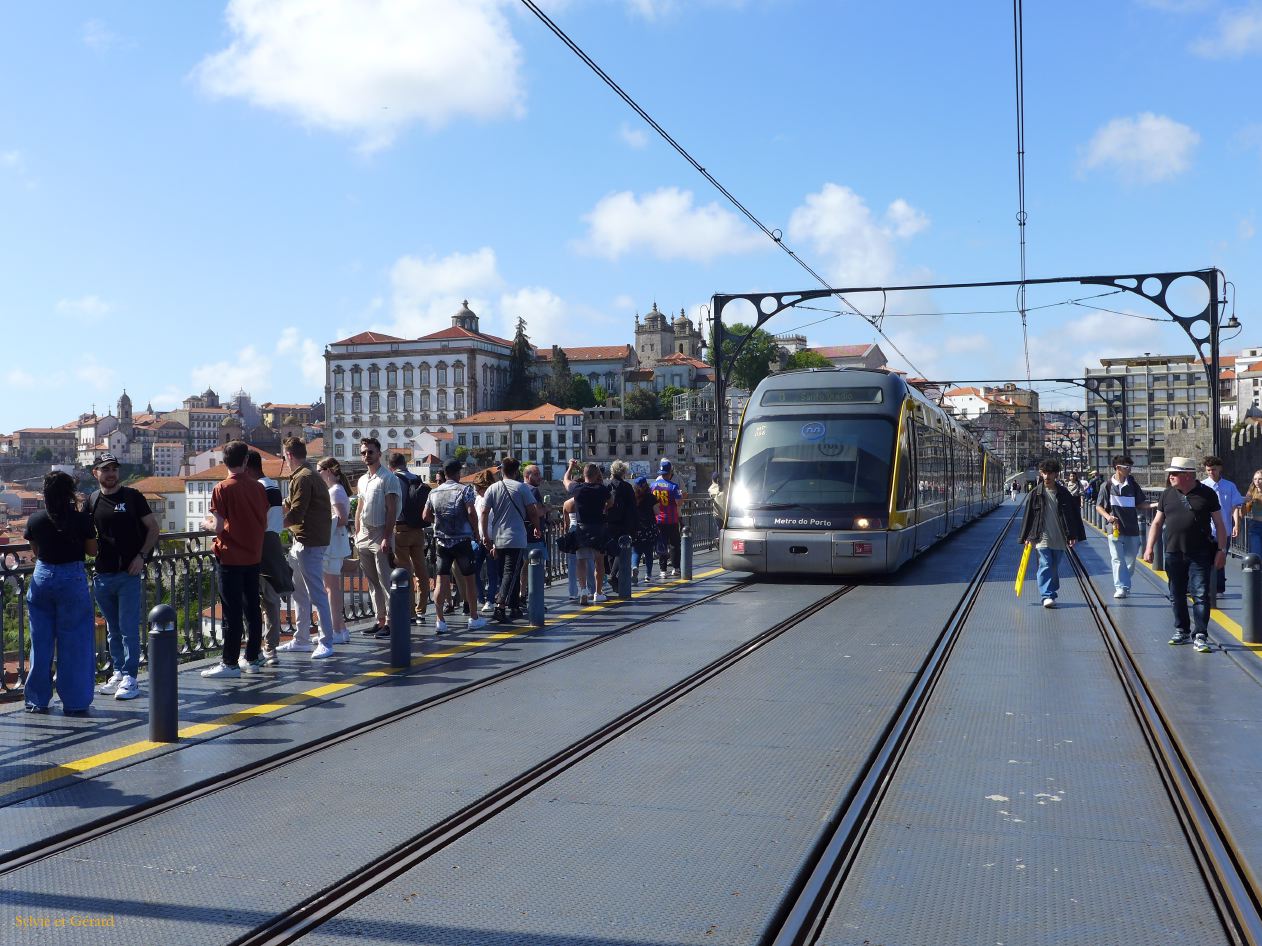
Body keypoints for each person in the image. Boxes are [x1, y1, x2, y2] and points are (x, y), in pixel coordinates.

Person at [23, 471, 97, 713]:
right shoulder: (81, 520)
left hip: (42, 578)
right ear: (69, 494)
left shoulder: (35, 520)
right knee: (74, 641)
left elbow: (35, 551)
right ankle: (75, 703)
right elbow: (92, 551)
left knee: (40, 641)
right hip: (71, 578)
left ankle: (37, 701)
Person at [89, 452, 159, 702]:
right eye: (105, 469)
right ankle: (118, 672)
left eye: (114, 469)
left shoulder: (133, 497)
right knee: (112, 630)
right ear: (95, 473)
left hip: (129, 573)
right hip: (102, 575)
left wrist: (142, 556)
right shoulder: (93, 500)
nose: (111, 473)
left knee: (129, 628)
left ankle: (131, 677)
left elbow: (153, 528)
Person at [1143, 456, 1228, 653]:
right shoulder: (1167, 495)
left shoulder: (1207, 494)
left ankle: (1200, 634)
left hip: (1199, 552)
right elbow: (1156, 523)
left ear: (1187, 475)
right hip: (1173, 551)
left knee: (1200, 594)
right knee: (1176, 594)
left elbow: (1220, 524)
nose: (1170, 477)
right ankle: (1181, 629)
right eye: (1170, 474)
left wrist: (1222, 550)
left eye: (1174, 474)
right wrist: (1149, 548)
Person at [201, 440, 268, 678]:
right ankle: (254, 655)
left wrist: (205, 523)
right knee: (252, 607)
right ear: (246, 460)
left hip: (230, 556)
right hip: (253, 555)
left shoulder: (222, 488)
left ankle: (230, 662)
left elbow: (218, 527)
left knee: (231, 611)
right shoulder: (259, 488)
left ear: (224, 461)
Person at [283, 437, 337, 658]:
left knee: (316, 593)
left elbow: (297, 513)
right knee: (300, 593)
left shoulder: (303, 477)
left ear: (288, 455)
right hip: (304, 541)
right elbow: (293, 505)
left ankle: (326, 642)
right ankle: (302, 639)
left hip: (309, 542)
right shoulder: (307, 475)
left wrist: (268, 525)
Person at [423, 459, 489, 634]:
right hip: (461, 540)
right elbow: (470, 512)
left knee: (440, 581)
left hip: (442, 541)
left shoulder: (434, 493)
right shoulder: (465, 490)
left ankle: (440, 621)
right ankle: (474, 617)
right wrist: (475, 530)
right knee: (469, 579)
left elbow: (425, 516)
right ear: (458, 473)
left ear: (444, 474)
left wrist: (439, 521)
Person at [479, 456, 542, 623]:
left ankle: (514, 607)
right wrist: (537, 527)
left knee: (506, 573)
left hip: (498, 537)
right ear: (516, 471)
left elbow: (484, 513)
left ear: (502, 470)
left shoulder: (492, 488)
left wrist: (485, 535)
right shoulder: (521, 488)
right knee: (511, 572)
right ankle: (500, 606)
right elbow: (532, 511)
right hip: (516, 537)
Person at [1018, 457, 1086, 609]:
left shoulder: (1064, 493)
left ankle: (1051, 592)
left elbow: (1072, 515)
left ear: (1056, 474)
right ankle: (1047, 595)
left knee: (1054, 566)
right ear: (1041, 474)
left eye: (1050, 473)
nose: (1047, 476)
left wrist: (1073, 535)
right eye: (1044, 473)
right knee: (1046, 564)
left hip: (1060, 535)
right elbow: (1029, 516)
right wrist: (1027, 537)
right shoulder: (1035, 493)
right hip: (1042, 535)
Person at [245, 450, 292, 666]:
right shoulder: (273, 484)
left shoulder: (258, 488)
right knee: (271, 600)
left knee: (255, 600)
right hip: (274, 542)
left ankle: (258, 649)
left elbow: (255, 519)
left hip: (258, 544)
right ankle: (271, 647)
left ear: (248, 468)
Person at [355, 438, 402, 638]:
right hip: (364, 534)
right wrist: (357, 532)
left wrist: (386, 537)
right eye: (364, 452)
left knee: (385, 579)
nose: (367, 455)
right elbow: (359, 507)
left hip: (381, 532)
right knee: (372, 581)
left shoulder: (388, 478)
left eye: (370, 452)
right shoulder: (362, 479)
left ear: (379, 454)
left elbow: (391, 509)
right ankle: (379, 620)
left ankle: (391, 622)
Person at [1094, 455, 1147, 599]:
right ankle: (1121, 587)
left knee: (1130, 559)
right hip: (1115, 529)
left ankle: (1124, 580)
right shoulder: (1107, 486)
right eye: (1126, 467)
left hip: (1132, 528)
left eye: (1130, 467)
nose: (1129, 470)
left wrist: (1158, 506)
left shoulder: (1133, 485)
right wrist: (1108, 517)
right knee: (1117, 559)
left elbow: (1140, 504)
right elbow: (1098, 506)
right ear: (1118, 468)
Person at [390, 452, 432, 626]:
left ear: (391, 465)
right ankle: (422, 610)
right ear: (404, 463)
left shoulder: (394, 479)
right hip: (418, 529)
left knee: (404, 572)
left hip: (401, 528)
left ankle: (410, 612)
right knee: (422, 570)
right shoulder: (416, 478)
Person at [564, 462, 613, 605]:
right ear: (597, 475)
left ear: (584, 475)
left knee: (581, 562)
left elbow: (566, 481)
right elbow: (611, 502)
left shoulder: (577, 489)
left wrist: (571, 468)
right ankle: (598, 593)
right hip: (598, 528)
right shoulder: (602, 489)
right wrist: (603, 507)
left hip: (582, 529)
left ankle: (583, 590)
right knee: (599, 562)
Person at [317, 457, 353, 644]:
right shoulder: (336, 490)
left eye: (319, 470)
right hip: (335, 543)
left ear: (329, 471)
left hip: (332, 543)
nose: (318, 474)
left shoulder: (335, 491)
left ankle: (336, 630)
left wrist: (320, 522)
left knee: (331, 588)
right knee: (331, 587)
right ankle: (341, 629)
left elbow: (342, 519)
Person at [1201, 456, 1244, 595]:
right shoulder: (1202, 486)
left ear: (1220, 469)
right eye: (1208, 470)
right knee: (1206, 558)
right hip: (1207, 530)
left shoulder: (1229, 486)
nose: (1211, 473)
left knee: (1221, 557)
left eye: (1213, 469)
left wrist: (1236, 525)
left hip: (1224, 529)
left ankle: (1218, 587)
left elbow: (1235, 506)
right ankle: (1207, 586)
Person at [562, 458, 595, 601]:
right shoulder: (587, 498)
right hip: (585, 530)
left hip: (572, 531)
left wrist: (570, 467)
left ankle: (573, 592)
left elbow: (565, 522)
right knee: (588, 561)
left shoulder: (567, 503)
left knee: (572, 564)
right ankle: (592, 589)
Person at [520, 464, 550, 606]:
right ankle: (536, 599)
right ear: (528, 476)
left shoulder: (518, 488)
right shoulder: (534, 490)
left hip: (521, 533)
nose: (540, 477)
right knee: (538, 566)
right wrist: (546, 508)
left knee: (524, 566)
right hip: (534, 533)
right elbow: (537, 512)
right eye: (537, 474)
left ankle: (522, 594)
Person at [606, 460, 637, 589]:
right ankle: (613, 576)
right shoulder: (627, 487)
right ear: (623, 472)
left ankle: (615, 582)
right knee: (621, 551)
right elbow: (633, 508)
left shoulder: (607, 486)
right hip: (624, 524)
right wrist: (634, 527)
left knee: (611, 551)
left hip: (609, 523)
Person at [652, 459, 685, 578]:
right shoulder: (674, 487)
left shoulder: (653, 485)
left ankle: (662, 570)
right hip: (672, 519)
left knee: (662, 544)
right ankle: (676, 568)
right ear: (670, 472)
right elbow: (679, 502)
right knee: (675, 544)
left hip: (658, 519)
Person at [631, 476, 659, 584]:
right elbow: (657, 512)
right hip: (649, 527)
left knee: (636, 551)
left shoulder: (633, 498)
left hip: (636, 527)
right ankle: (648, 575)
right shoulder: (651, 498)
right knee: (648, 552)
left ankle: (634, 567)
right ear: (646, 485)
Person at [1244, 469, 1262, 559]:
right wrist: (1246, 501)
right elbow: (1246, 510)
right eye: (1255, 479)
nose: (1257, 482)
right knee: (1256, 554)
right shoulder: (1251, 491)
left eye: (1260, 479)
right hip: (1256, 526)